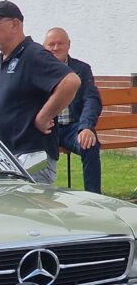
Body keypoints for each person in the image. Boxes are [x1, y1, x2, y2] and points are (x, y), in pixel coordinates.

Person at [0, 1, 80, 184]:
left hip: (30, 160)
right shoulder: (2, 61)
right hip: (5, 159)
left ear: (15, 25)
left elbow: (70, 81)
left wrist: (44, 116)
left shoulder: (33, 55)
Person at [42, 27, 102, 193]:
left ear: (69, 45)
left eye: (60, 43)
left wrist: (86, 127)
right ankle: (39, 198)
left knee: (90, 144)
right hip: (47, 129)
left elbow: (91, 100)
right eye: (51, 44)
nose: (55, 48)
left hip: (72, 128)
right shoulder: (37, 70)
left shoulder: (82, 69)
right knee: (30, 152)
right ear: (44, 47)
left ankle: (93, 197)